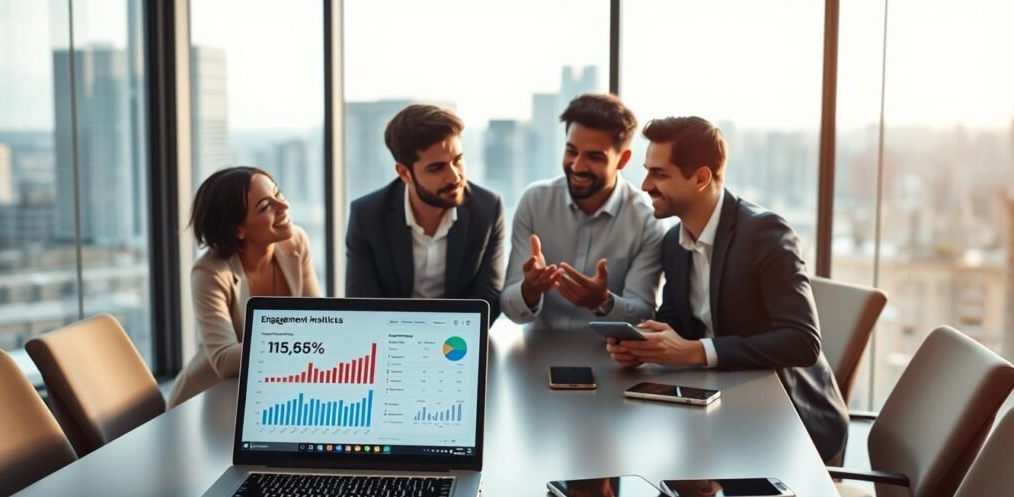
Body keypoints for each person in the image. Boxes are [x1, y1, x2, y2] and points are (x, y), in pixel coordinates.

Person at [606, 116, 848, 462]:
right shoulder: (674, 242)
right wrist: (642, 346)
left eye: (659, 173)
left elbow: (802, 342)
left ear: (702, 178)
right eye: (647, 171)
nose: (645, 185)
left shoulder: (765, 236)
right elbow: (676, 321)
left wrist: (695, 352)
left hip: (786, 424)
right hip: (720, 408)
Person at [500, 94, 664, 330]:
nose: (577, 166)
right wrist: (530, 290)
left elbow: (644, 315)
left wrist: (602, 302)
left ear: (623, 159)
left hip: (610, 357)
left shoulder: (647, 220)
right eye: (571, 151)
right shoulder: (534, 202)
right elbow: (510, 307)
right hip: (537, 356)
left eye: (594, 156)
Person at [169, 167, 322, 407]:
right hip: (208, 400)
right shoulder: (210, 273)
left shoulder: (295, 243)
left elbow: (318, 320)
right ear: (237, 230)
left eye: (278, 194)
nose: (284, 206)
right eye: (265, 207)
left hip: (265, 393)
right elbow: (224, 359)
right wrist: (295, 342)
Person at [346, 104, 505, 323]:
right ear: (404, 173)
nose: (454, 177)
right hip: (393, 345)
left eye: (458, 160)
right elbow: (364, 307)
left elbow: (488, 298)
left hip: (459, 343)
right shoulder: (367, 216)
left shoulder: (488, 209)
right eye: (436, 168)